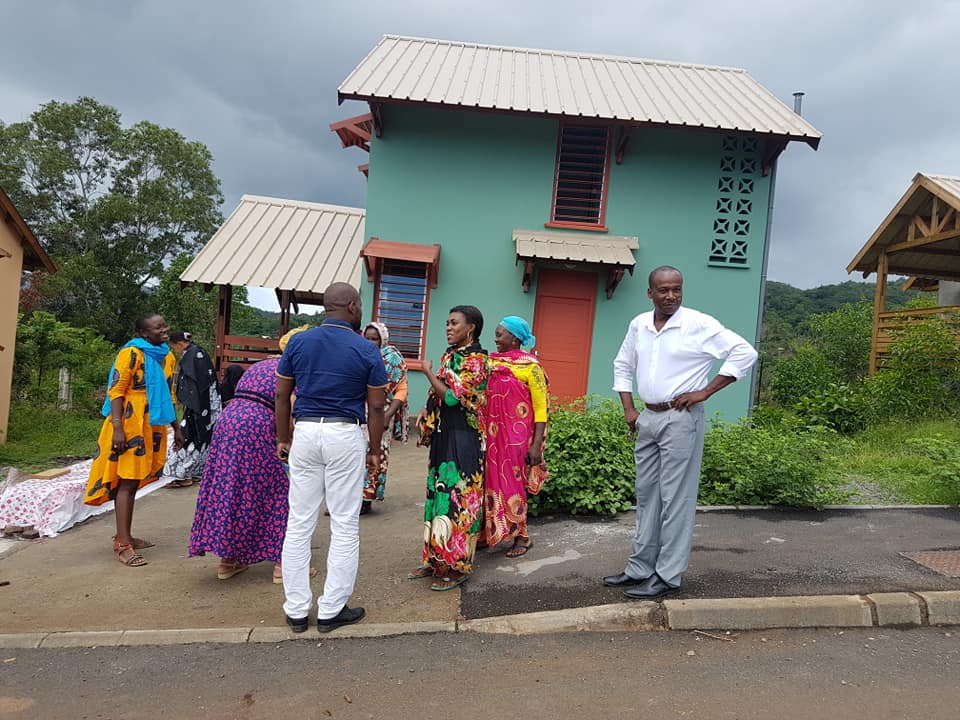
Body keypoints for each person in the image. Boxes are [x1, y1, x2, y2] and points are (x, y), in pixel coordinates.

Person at [607, 266, 758, 599]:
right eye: (663, 290)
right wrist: (629, 409)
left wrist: (705, 391)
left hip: (680, 418)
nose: (671, 296)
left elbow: (745, 353)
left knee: (676, 498)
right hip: (648, 417)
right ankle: (640, 568)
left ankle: (667, 575)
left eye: (677, 289)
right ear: (650, 293)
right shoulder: (639, 325)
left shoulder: (698, 324)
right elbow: (622, 364)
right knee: (647, 496)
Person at [275, 283, 387, 633]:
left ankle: (296, 610)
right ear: (352, 306)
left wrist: (283, 438)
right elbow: (378, 405)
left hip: (306, 431)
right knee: (343, 523)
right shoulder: (366, 350)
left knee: (300, 521)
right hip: (344, 433)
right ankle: (331, 610)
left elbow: (281, 394)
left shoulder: (298, 342)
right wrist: (373, 448)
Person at [188, 327, 307, 581]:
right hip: (258, 425)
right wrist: (287, 440)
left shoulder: (257, 367)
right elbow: (288, 405)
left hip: (228, 423)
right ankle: (282, 565)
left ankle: (228, 561)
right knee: (277, 490)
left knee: (232, 488)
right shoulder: (292, 370)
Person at [85, 313, 183, 567]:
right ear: (143, 333)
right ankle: (123, 544)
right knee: (127, 481)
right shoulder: (131, 354)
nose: (164, 330)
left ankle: (124, 534)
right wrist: (118, 429)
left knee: (135, 479)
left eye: (165, 325)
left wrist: (177, 427)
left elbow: (169, 393)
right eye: (158, 327)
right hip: (129, 423)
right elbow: (116, 391)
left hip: (153, 422)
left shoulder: (166, 355)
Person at [410, 305, 490, 591]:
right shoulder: (451, 355)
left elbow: (455, 399)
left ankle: (458, 566)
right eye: (447, 322)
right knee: (439, 495)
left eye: (454, 323)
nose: (448, 327)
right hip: (445, 434)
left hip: (465, 437)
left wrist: (428, 372)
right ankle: (435, 560)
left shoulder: (478, 361)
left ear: (471, 328)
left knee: (461, 501)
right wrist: (425, 407)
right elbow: (439, 394)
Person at [482, 316, 549, 558]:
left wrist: (536, 445)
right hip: (491, 435)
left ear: (515, 338)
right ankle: (490, 532)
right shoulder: (490, 363)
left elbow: (541, 409)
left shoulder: (531, 367)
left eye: (500, 334)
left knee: (513, 484)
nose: (496, 338)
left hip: (517, 438)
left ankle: (522, 536)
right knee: (487, 481)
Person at [360, 322, 409, 514]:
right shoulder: (360, 355)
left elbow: (401, 389)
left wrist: (388, 414)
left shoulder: (392, 358)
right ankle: (348, 499)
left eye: (375, 339)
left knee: (375, 453)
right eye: (368, 338)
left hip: (382, 412)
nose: (371, 342)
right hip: (360, 411)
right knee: (355, 455)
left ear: (383, 339)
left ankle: (366, 499)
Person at [164, 331, 221, 488]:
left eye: (173, 347)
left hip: (200, 404)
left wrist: (191, 404)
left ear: (178, 344)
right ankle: (196, 472)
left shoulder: (190, 356)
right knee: (203, 438)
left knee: (187, 436)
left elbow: (193, 384)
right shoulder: (199, 351)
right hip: (210, 405)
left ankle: (180, 475)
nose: (174, 350)